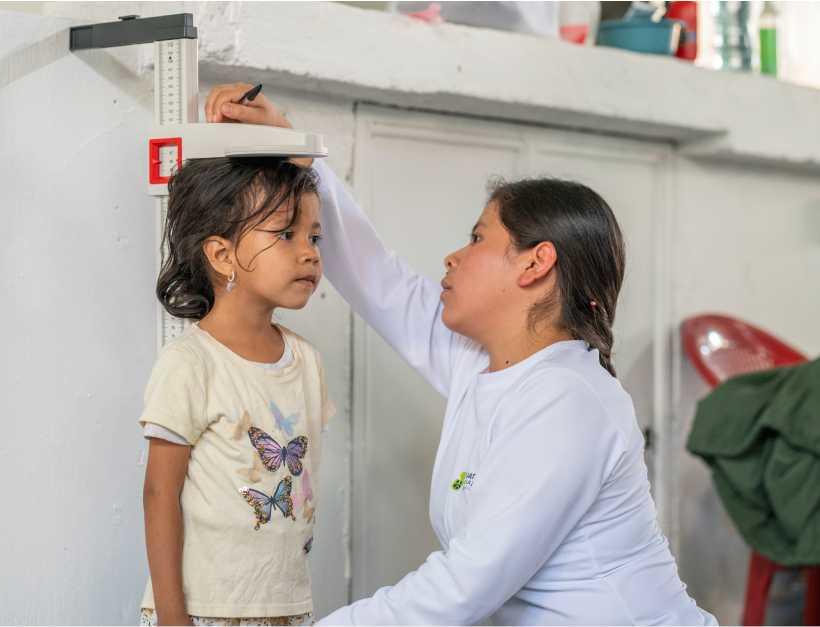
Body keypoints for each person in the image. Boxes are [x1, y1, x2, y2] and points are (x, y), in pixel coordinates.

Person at [205, 83, 717, 625]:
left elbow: (463, 588)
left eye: (476, 239)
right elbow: (376, 277)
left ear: (534, 264)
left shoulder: (570, 403)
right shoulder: (484, 361)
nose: (453, 257)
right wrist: (298, 152)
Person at [139, 155, 331, 626]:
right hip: (206, 612)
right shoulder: (191, 364)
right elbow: (159, 493)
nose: (309, 252)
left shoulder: (305, 360)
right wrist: (171, 616)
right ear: (223, 255)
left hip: (286, 608)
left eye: (314, 236)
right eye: (286, 234)